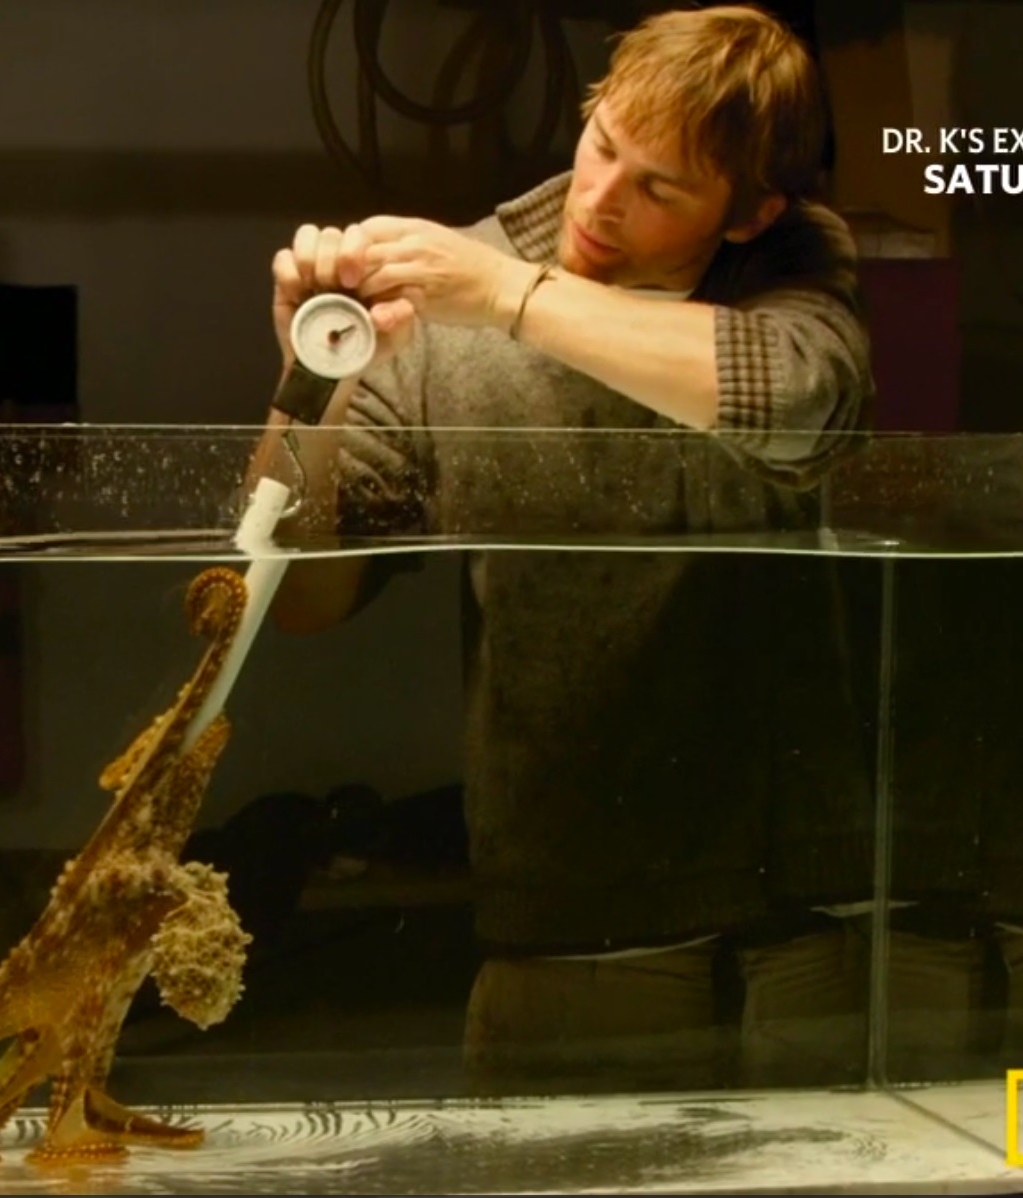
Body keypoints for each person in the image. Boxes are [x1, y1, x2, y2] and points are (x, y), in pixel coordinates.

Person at [247, 4, 881, 1091]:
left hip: (801, 908)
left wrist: (509, 298)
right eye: (601, 149)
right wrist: (308, 380)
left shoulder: (786, 267)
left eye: (658, 188)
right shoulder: (446, 307)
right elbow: (294, 602)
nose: (599, 200)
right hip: (570, 912)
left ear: (747, 212)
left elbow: (802, 401)